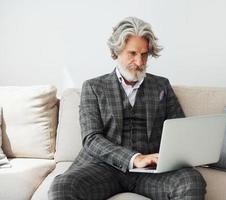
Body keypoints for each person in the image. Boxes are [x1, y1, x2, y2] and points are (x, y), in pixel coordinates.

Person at [49, 16, 206, 200]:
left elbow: (181, 130)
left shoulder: (161, 86)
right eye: (132, 53)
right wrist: (134, 158)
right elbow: (91, 139)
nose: (139, 62)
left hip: (150, 172)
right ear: (117, 51)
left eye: (144, 54)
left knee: (192, 180)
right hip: (104, 167)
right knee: (62, 186)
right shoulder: (93, 87)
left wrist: (177, 153)